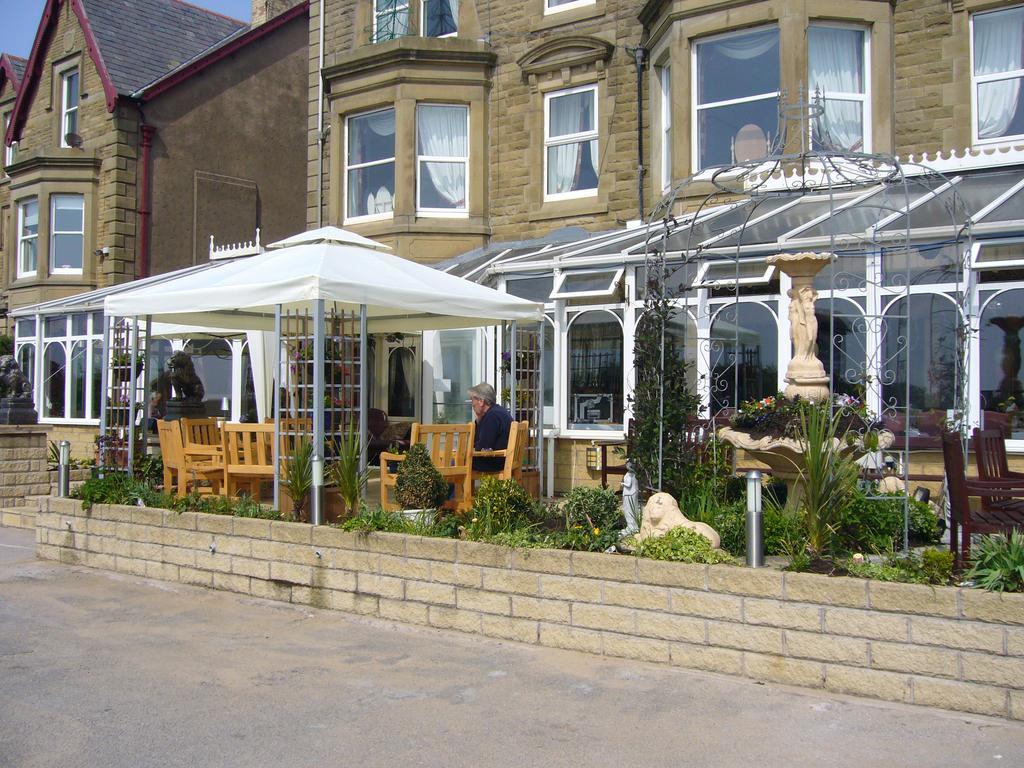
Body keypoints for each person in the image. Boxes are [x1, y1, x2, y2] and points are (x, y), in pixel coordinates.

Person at [468, 382, 512, 472]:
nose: (472, 405)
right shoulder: (500, 412)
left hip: (494, 461)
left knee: (453, 463)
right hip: (503, 460)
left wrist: (467, 450)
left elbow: (483, 446)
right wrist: (479, 420)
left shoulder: (492, 417)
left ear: (481, 401)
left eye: (472, 401)